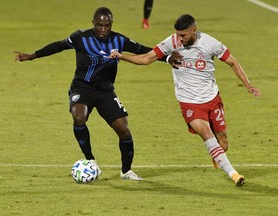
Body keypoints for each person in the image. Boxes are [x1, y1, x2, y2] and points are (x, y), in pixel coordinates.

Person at [14, 7, 176, 181]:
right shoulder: (80, 38)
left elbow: (143, 50)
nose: (103, 29)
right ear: (93, 23)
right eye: (99, 25)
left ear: (111, 24)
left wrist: (166, 58)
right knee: (78, 116)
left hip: (106, 92)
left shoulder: (119, 40)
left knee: (124, 131)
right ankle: (90, 160)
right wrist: (32, 56)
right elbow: (59, 46)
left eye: (107, 25)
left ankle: (126, 171)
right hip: (82, 88)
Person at [110, 14, 261, 186]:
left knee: (223, 142)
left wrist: (248, 85)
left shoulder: (210, 43)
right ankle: (234, 174)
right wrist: (121, 56)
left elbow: (232, 62)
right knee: (206, 133)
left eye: (183, 35)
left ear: (194, 30)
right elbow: (147, 58)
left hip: (211, 98)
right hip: (188, 102)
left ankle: (218, 154)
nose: (179, 39)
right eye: (177, 34)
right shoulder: (172, 42)